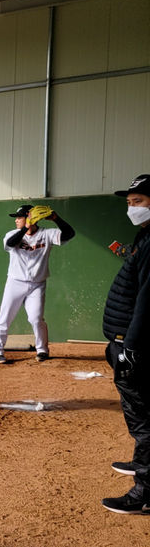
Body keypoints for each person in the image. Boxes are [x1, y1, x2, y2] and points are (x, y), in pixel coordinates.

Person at [102, 174, 150, 514]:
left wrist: (130, 345)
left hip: (138, 345)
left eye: (139, 201)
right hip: (131, 340)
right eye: (130, 202)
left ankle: (144, 492)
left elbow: (148, 297)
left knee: (145, 420)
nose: (131, 207)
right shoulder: (145, 236)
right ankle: (143, 466)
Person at [0, 205, 75, 363]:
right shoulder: (13, 234)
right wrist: (25, 228)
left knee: (36, 318)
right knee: (5, 318)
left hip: (37, 285)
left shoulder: (47, 234)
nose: (16, 220)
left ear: (30, 218)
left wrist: (56, 219)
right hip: (15, 283)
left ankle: (42, 350)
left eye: (19, 217)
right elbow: (10, 244)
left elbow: (70, 234)